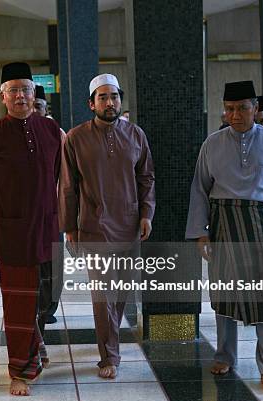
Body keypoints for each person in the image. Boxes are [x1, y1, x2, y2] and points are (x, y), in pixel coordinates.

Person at [186, 81, 263, 391]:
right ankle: (225, 356)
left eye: (243, 108)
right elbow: (200, 190)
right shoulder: (212, 144)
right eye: (229, 109)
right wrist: (200, 234)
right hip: (225, 225)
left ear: (256, 108)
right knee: (226, 295)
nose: (235, 115)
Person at [60, 73, 155, 379]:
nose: (110, 102)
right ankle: (109, 355)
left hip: (129, 224)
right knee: (103, 295)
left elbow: (146, 177)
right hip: (94, 226)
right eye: (103, 97)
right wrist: (69, 228)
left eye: (114, 96)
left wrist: (146, 214)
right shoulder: (75, 138)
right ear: (92, 103)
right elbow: (68, 187)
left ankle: (109, 338)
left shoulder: (136, 134)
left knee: (121, 290)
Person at [0, 62, 61, 396]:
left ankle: (35, 351)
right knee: (18, 302)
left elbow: (56, 177)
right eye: (13, 90)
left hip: (46, 229)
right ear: (3, 96)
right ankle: (19, 370)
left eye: (25, 89)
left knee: (45, 299)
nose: (21, 96)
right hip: (11, 233)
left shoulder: (51, 130)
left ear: (33, 93)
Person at [33, 85, 65, 328]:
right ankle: (37, 307)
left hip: (54, 210)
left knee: (54, 263)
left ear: (45, 109)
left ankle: (50, 305)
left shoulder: (56, 132)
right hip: (28, 214)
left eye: (39, 107)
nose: (35, 110)